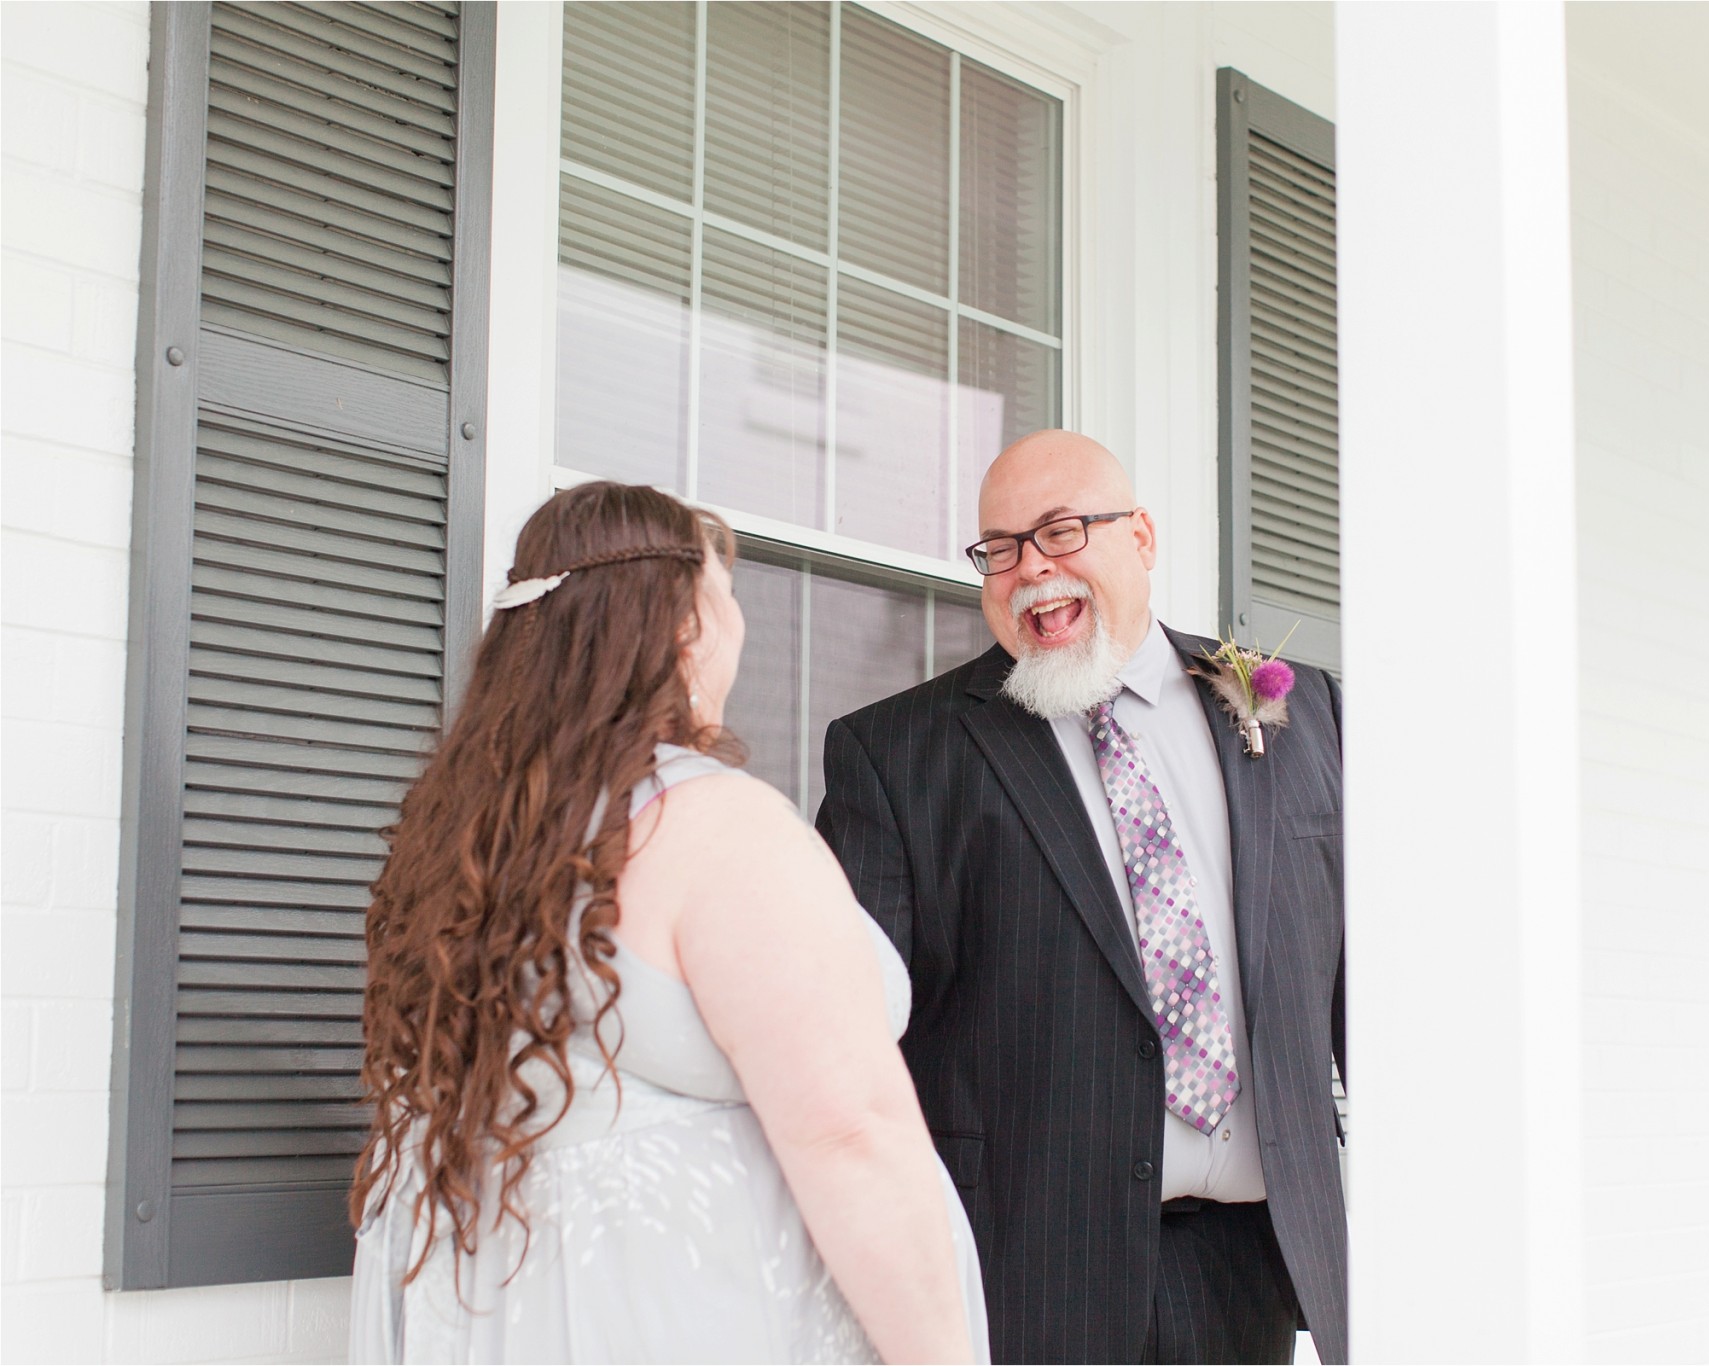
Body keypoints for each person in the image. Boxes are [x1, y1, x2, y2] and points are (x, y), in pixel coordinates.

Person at [349, 481, 986, 1364]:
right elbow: (851, 1135)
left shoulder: (470, 840)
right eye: (729, 599)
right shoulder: (717, 827)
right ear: (687, 625)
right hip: (688, 1320)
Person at [816, 431, 1348, 1364]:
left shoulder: (1300, 717)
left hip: (1250, 1273)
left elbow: (1365, 980)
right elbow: (849, 1043)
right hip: (1024, 1273)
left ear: (1141, 537)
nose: (1030, 570)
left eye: (1061, 533)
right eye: (1001, 549)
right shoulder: (898, 755)